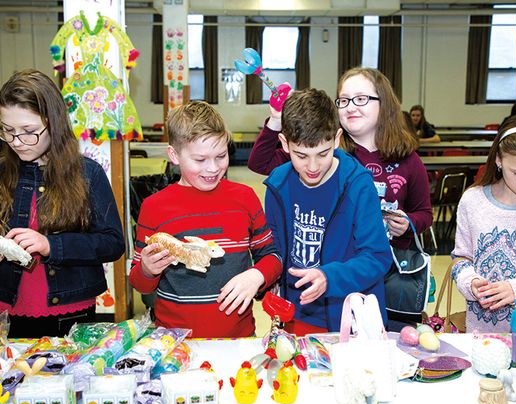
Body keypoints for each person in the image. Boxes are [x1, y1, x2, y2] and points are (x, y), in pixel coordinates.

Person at [129, 101, 281, 338]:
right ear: (174, 155)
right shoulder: (154, 207)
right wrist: (148, 270)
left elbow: (272, 257)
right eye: (200, 160)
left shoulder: (245, 198)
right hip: (175, 341)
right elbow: (139, 282)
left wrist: (257, 275)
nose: (212, 168)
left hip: (237, 338)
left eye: (221, 156)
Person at [249, 67, 432, 252]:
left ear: (384, 104)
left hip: (391, 263)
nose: (351, 107)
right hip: (334, 265)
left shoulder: (407, 159)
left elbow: (424, 213)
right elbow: (260, 162)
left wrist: (408, 223)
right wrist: (276, 119)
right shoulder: (324, 152)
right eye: (344, 100)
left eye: (361, 99)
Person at [0, 69, 125, 338]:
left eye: (29, 131)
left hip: (70, 314)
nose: (17, 142)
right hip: (7, 312)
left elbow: (113, 243)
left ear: (53, 123)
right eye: (8, 131)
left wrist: (50, 245)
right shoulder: (3, 171)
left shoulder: (87, 173)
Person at [264, 88, 392, 335]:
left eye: (322, 154)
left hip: (350, 318)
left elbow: (377, 256)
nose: (312, 167)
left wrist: (329, 277)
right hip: (297, 314)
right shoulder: (278, 184)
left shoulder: (357, 184)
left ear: (336, 139)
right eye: (301, 155)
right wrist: (267, 280)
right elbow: (274, 250)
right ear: (284, 144)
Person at [452, 112, 516, 334]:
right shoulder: (473, 201)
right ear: (498, 160)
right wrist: (470, 282)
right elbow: (460, 258)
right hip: (481, 337)